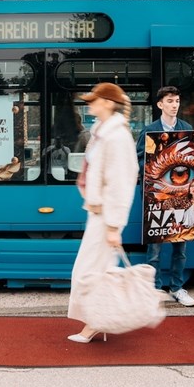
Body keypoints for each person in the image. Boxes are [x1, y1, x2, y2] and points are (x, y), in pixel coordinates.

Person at [67, 82, 138, 343]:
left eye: (94, 100)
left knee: (91, 271)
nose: (90, 104)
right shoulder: (101, 132)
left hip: (106, 216)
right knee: (94, 270)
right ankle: (98, 321)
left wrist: (113, 226)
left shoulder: (117, 136)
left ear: (108, 103)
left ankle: (96, 323)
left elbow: (122, 182)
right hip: (97, 213)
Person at [136, 86, 194, 307]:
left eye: (177, 101)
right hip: (158, 196)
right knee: (155, 247)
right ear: (160, 104)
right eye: (170, 101)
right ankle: (154, 289)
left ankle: (177, 287)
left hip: (181, 196)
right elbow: (140, 160)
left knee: (181, 246)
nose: (175, 105)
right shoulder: (149, 131)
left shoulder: (187, 129)